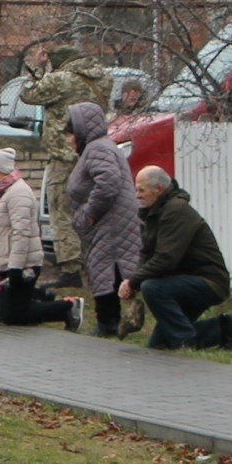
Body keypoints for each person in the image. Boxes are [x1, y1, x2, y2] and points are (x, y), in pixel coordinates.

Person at [18, 45, 114, 286]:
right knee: (93, 210)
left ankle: (71, 269)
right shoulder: (102, 78)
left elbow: (29, 94)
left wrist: (37, 69)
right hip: (93, 155)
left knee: (62, 211)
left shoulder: (61, 80)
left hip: (64, 156)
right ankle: (96, 266)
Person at [122, 166, 232, 351]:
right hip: (183, 281)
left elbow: (166, 258)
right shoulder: (154, 213)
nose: (137, 195)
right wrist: (132, 280)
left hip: (208, 282)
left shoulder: (176, 211)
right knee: (159, 344)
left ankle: (186, 341)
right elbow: (147, 253)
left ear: (159, 190)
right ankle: (225, 327)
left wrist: (135, 282)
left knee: (152, 288)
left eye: (141, 190)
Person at [0, 147, 82, 330]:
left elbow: (21, 233)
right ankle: (44, 296)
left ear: (2, 170)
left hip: (23, 263)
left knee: (16, 316)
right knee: (9, 314)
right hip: (10, 261)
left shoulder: (17, 193)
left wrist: (15, 268)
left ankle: (67, 307)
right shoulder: (3, 193)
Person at [64, 103, 143, 338]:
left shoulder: (98, 149)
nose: (69, 141)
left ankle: (108, 322)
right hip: (109, 222)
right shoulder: (100, 147)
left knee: (105, 268)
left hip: (109, 223)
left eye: (71, 134)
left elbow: (108, 181)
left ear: (82, 131)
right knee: (108, 269)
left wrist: (90, 213)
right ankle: (115, 319)